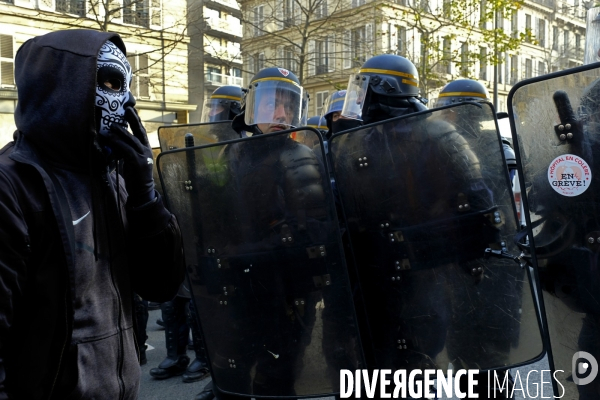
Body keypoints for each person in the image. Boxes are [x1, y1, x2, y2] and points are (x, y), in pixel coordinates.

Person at [0, 29, 185, 399]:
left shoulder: (113, 178)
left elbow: (161, 285)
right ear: (62, 87)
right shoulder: (13, 186)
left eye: (127, 84)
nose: (128, 99)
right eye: (111, 82)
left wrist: (145, 197)